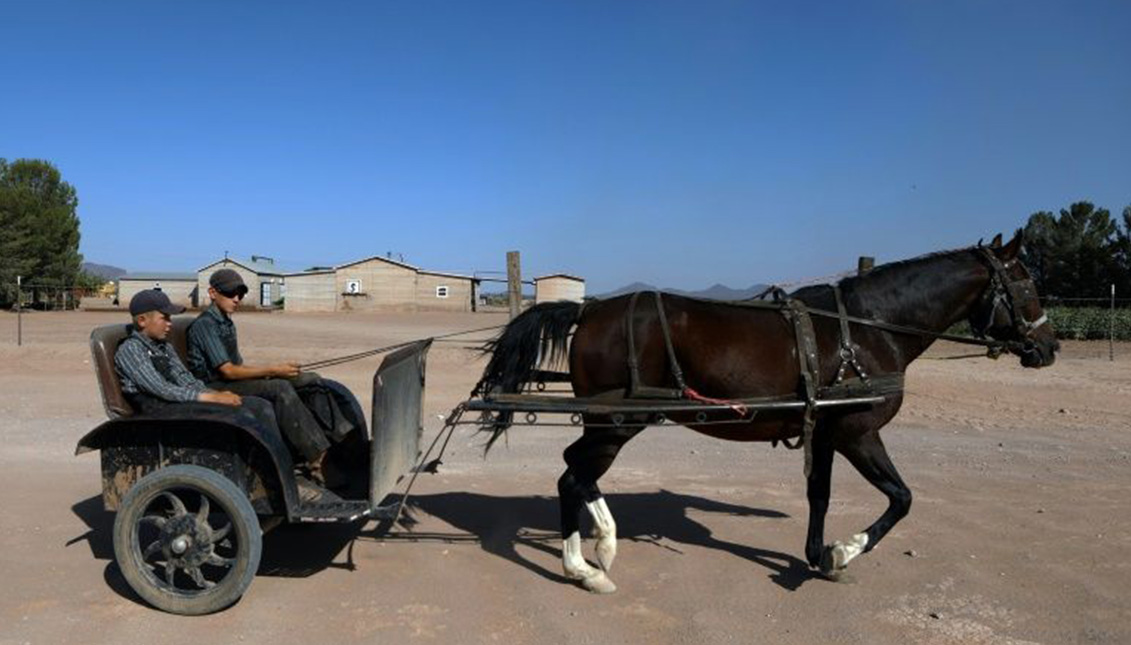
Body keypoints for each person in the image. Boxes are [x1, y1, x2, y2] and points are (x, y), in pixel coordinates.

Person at [186, 268, 351, 484]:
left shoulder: (226, 322)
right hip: (215, 386)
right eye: (230, 293)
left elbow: (238, 366)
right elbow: (228, 371)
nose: (236, 299)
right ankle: (317, 461)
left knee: (309, 379)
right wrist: (272, 371)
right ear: (212, 293)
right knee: (279, 388)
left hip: (232, 380)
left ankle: (341, 439)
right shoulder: (205, 325)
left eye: (240, 294)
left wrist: (278, 370)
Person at [113, 289, 276, 429]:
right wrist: (212, 398)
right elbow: (161, 389)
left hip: (175, 402)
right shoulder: (131, 349)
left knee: (259, 406)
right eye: (165, 318)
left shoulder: (163, 346)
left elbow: (185, 379)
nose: (170, 324)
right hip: (156, 409)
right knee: (240, 414)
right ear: (142, 321)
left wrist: (214, 393)